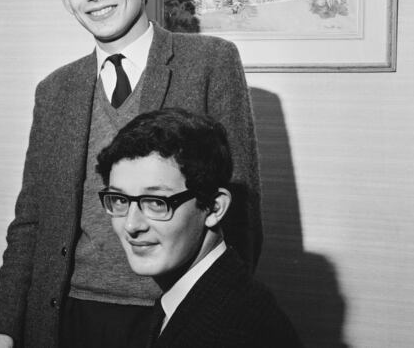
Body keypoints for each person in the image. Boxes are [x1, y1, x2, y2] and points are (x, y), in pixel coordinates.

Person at [0, 0, 261, 348]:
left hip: (172, 311)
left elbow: (239, 205)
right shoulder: (55, 90)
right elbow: (30, 219)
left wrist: (219, 314)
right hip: (68, 312)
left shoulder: (209, 62)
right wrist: (1, 328)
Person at [96, 108, 300, 347]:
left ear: (214, 207)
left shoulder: (235, 332)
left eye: (156, 203)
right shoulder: (200, 297)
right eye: (120, 200)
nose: (131, 225)